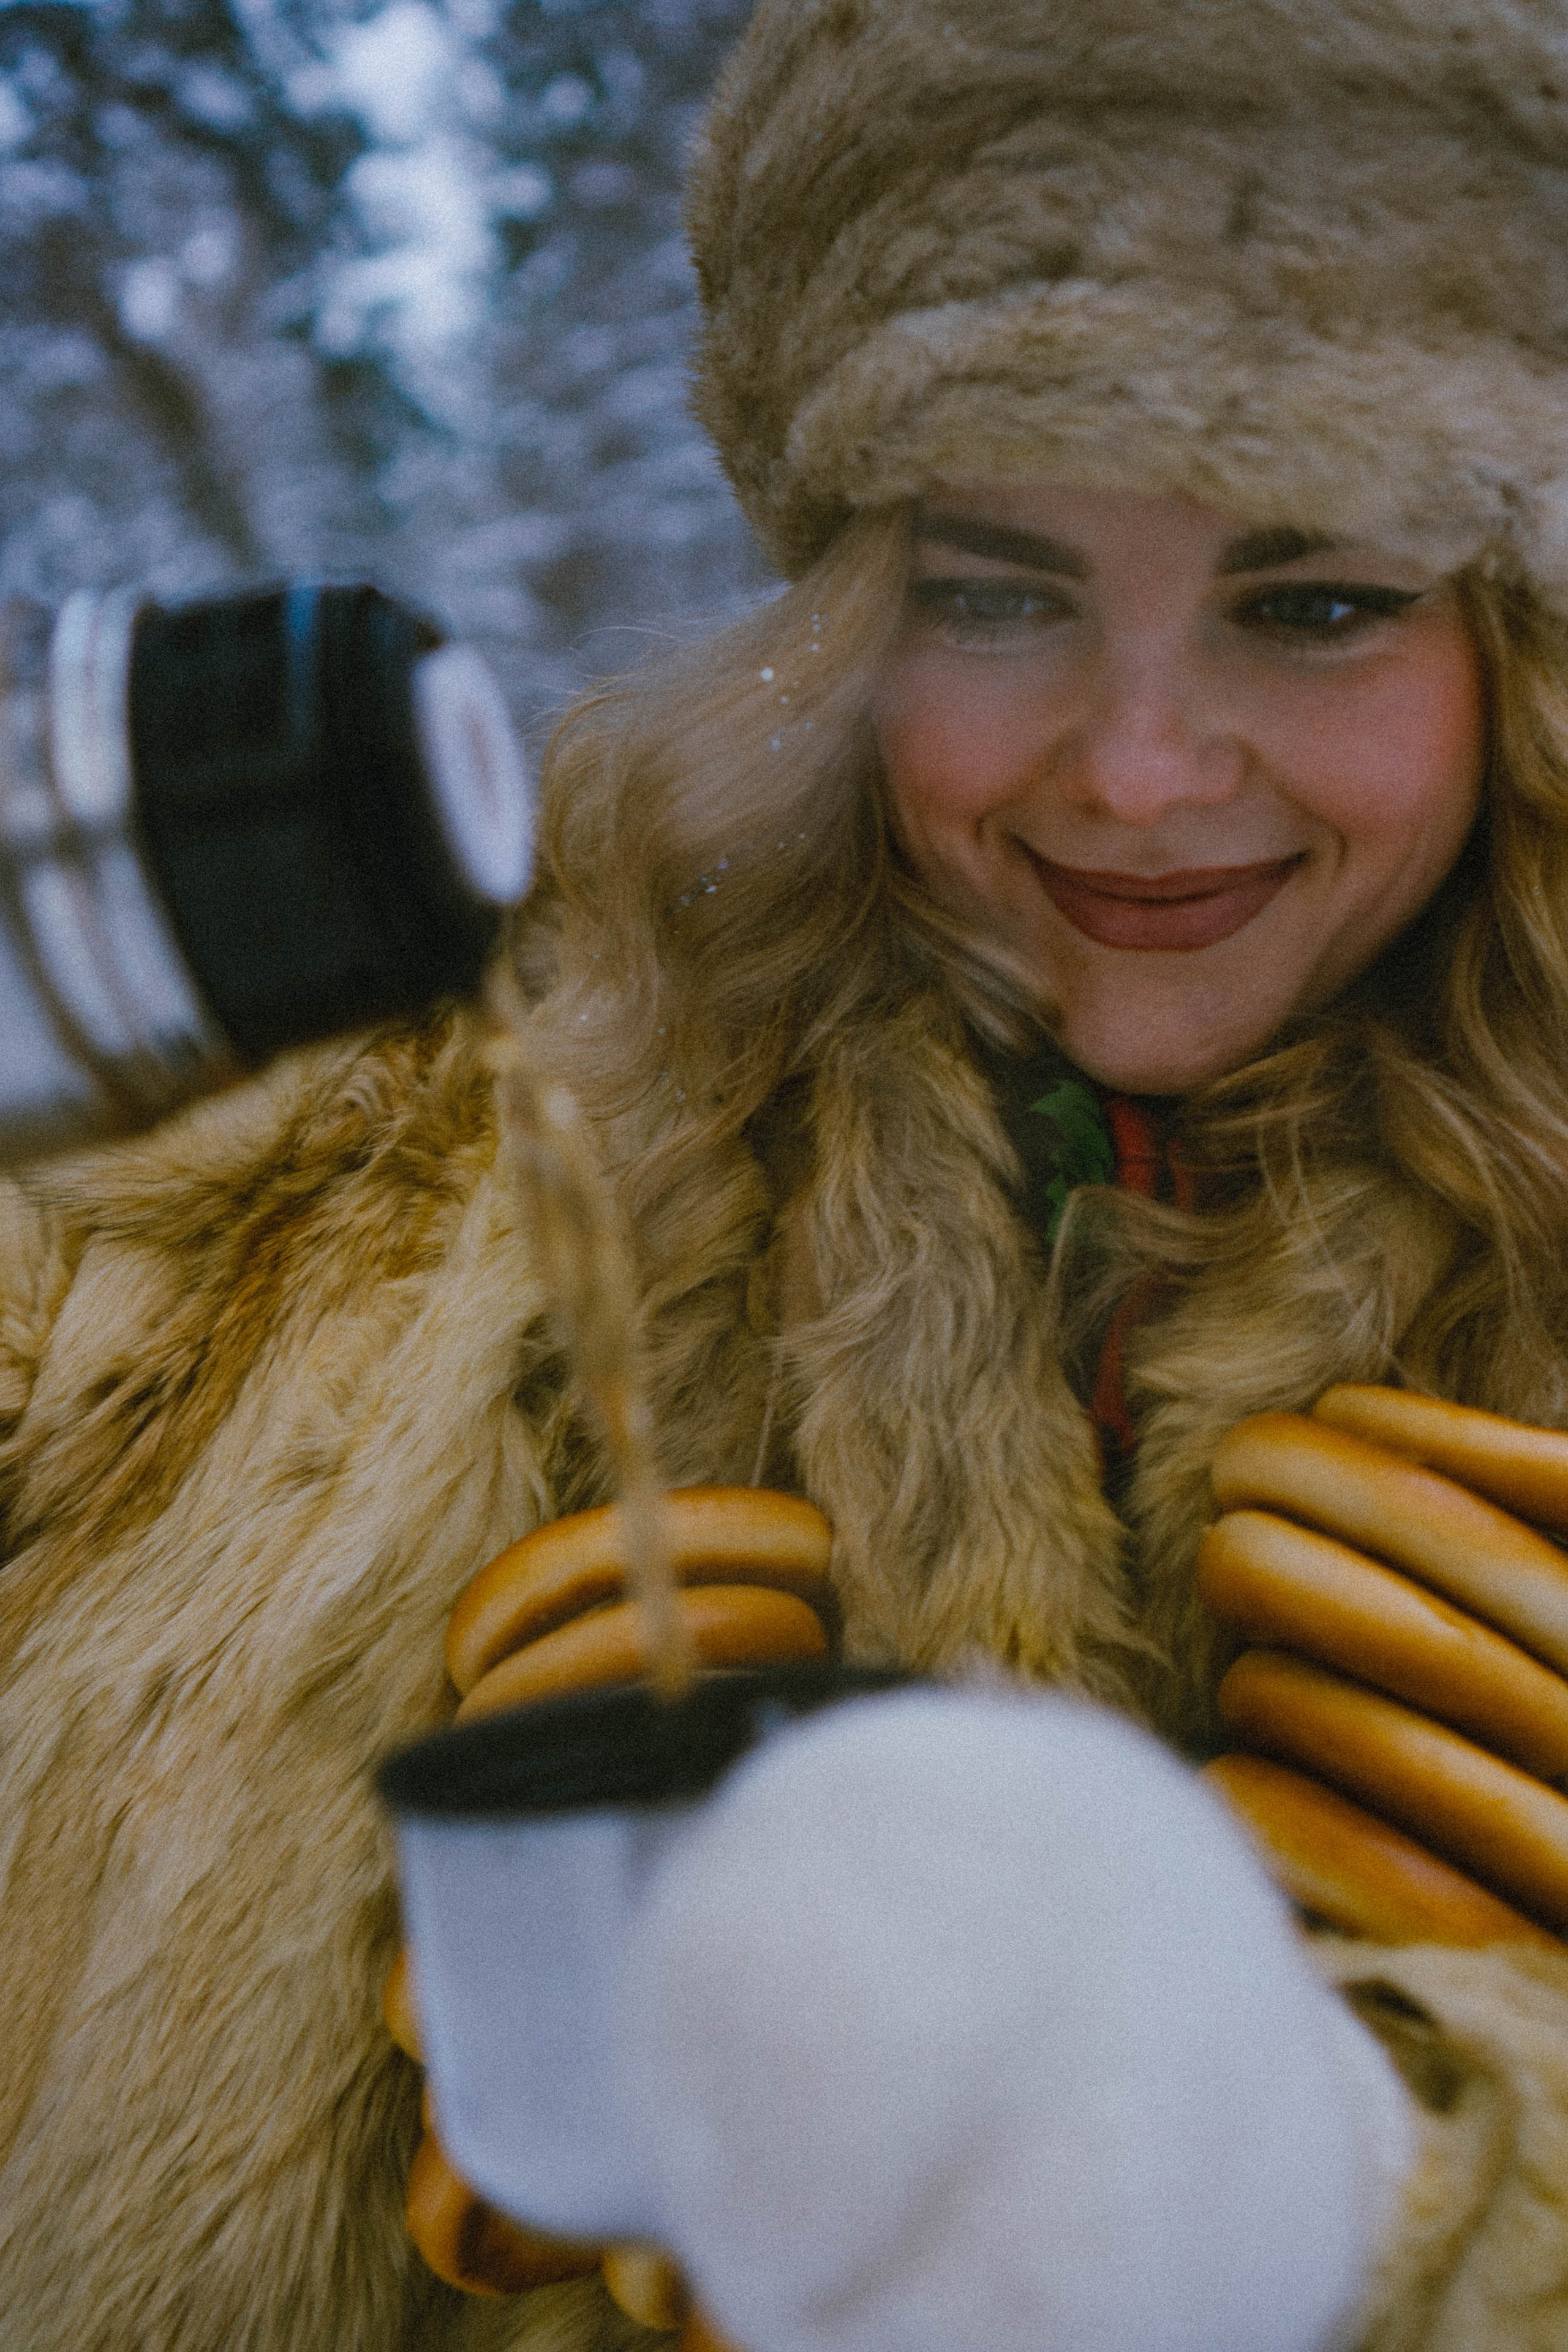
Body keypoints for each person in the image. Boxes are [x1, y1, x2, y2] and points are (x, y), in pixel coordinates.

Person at [4, 0, 1568, 2344]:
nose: (1140, 773)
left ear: (1512, 637)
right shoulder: (335, 1163)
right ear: (847, 616)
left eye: (1314, 598)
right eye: (1000, 591)